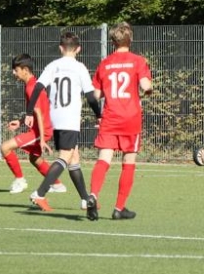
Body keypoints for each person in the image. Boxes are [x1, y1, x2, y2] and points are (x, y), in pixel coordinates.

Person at [28, 31, 101, 212]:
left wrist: (28, 112)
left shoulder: (53, 65)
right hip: (70, 118)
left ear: (61, 48)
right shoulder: (80, 67)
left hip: (56, 117)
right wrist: (99, 115)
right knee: (65, 157)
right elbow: (90, 96)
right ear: (78, 49)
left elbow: (38, 87)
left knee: (74, 157)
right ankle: (39, 193)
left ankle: (85, 199)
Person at [86, 22, 153, 221]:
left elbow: (95, 95)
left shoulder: (105, 63)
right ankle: (119, 208)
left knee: (103, 159)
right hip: (131, 118)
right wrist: (148, 89)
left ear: (113, 42)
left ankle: (93, 195)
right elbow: (146, 86)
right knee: (128, 161)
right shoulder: (138, 61)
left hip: (110, 117)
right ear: (130, 40)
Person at [0, 54, 66, 194]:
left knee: (5, 147)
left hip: (41, 131)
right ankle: (57, 185)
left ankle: (20, 180)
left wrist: (42, 139)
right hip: (41, 129)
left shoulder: (31, 88)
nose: (14, 73)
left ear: (25, 70)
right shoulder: (33, 84)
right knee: (35, 159)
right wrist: (20, 121)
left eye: (16, 70)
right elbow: (35, 112)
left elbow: (39, 114)